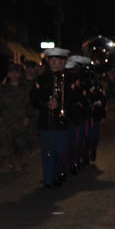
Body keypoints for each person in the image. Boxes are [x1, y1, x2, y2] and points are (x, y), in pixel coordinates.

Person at [30, 48, 76, 188]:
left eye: (58, 60)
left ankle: (58, 173)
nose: (55, 63)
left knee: (60, 150)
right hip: (46, 119)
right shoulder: (42, 78)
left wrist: (62, 104)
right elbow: (34, 97)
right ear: (49, 61)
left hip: (62, 120)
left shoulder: (69, 78)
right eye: (52, 60)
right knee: (47, 151)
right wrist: (45, 103)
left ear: (62, 61)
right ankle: (48, 179)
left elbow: (74, 97)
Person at [0, 63, 32, 173]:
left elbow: (29, 104)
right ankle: (7, 163)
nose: (14, 75)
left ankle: (20, 162)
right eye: (11, 72)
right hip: (6, 120)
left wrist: (27, 117)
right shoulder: (3, 89)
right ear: (8, 74)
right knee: (5, 143)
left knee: (20, 143)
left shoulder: (24, 88)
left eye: (16, 72)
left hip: (20, 119)